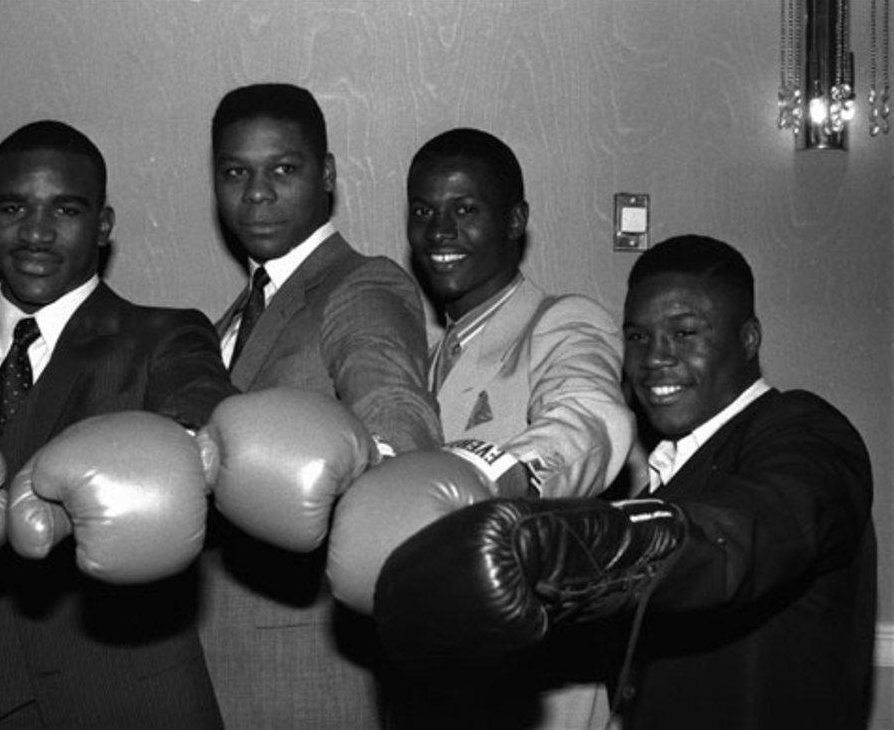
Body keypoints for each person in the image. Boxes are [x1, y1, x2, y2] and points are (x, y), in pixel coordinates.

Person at [372, 235, 876, 730]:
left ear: (748, 339)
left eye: (684, 333)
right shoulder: (662, 483)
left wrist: (558, 544)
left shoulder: (804, 430)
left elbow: (748, 534)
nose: (655, 357)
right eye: (637, 337)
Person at [0, 120, 236, 728]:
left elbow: (206, 412)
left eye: (65, 210)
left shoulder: (163, 336)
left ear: (102, 225)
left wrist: (171, 453)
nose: (36, 233)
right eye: (15, 207)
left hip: (106, 699)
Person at [200, 83, 441, 727]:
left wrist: (387, 465)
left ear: (327, 175)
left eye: (283, 168)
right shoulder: (227, 321)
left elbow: (396, 412)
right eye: (235, 172)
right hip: (211, 667)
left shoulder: (360, 284)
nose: (256, 193)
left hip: (307, 675)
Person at [383, 127, 633, 726]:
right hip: (439, 681)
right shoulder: (422, 357)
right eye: (424, 211)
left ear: (516, 220)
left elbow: (590, 418)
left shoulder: (561, 321)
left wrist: (491, 477)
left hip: (536, 685)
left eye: (465, 209)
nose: (440, 232)